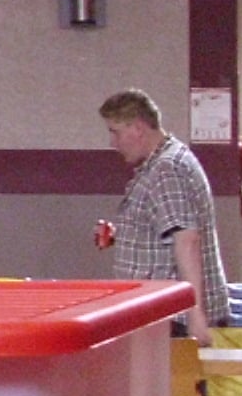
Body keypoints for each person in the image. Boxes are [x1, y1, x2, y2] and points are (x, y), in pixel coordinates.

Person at [98, 88, 229, 344]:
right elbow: (166, 229)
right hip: (164, 315)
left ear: (138, 128)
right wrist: (124, 235)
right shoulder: (163, 162)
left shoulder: (167, 169)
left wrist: (195, 315)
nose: (112, 142)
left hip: (173, 319)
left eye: (115, 132)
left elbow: (187, 240)